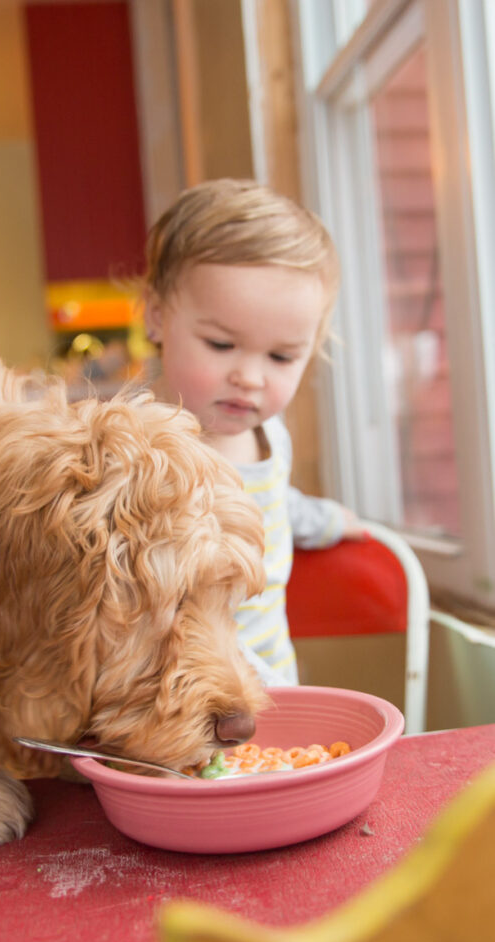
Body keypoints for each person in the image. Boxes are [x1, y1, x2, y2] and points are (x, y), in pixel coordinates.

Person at [143, 178, 364, 687]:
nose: (251, 376)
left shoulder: (270, 435)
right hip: (179, 706)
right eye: (221, 345)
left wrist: (323, 520)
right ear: (158, 316)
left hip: (274, 693)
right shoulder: (144, 448)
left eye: (282, 356)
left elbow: (271, 502)